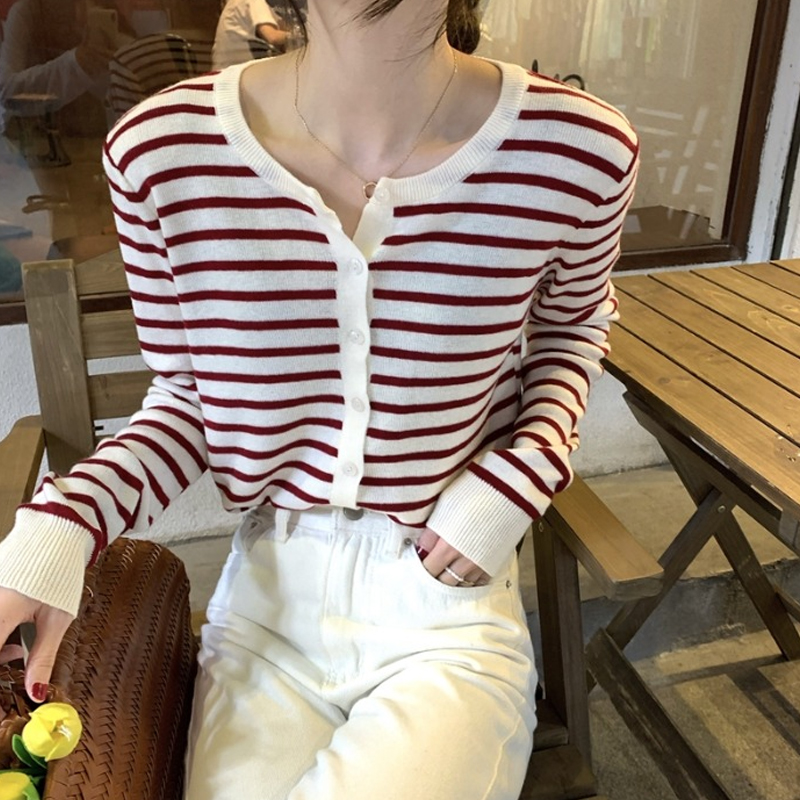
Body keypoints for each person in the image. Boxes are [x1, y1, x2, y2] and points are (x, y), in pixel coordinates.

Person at [0, 0, 639, 798]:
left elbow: (572, 332)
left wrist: (525, 472)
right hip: (268, 605)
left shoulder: (577, 148)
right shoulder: (163, 151)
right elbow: (190, 400)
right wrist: (67, 520)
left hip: (445, 600)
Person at [212, 0, 294, 69]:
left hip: (226, 74)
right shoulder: (253, 1)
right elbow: (273, 37)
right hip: (237, 76)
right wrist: (298, 36)